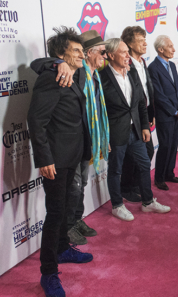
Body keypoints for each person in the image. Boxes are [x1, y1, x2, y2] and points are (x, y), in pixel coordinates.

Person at [27, 26, 93, 297]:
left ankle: (64, 248)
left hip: (73, 155)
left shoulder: (73, 75)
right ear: (60, 54)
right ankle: (48, 273)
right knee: (55, 214)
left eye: (81, 50)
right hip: (54, 160)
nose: (82, 55)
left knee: (65, 209)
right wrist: (44, 158)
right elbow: (36, 120)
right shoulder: (53, 75)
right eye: (76, 51)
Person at [100, 38, 170, 221]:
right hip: (115, 134)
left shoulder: (132, 73)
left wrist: (145, 126)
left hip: (136, 131)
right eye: (123, 52)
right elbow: (99, 112)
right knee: (115, 170)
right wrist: (103, 136)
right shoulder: (101, 78)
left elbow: (140, 103)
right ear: (111, 55)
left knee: (145, 164)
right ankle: (117, 205)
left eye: (127, 52)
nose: (127, 55)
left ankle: (147, 202)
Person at [65, 30, 110, 244]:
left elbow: (98, 113)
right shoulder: (75, 73)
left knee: (82, 182)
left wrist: (102, 138)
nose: (106, 55)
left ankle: (76, 219)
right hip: (74, 142)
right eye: (102, 51)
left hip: (89, 141)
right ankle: (68, 227)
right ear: (89, 52)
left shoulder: (96, 76)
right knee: (73, 186)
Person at [119, 26, 156, 203]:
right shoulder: (126, 65)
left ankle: (133, 185)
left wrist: (151, 113)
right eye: (141, 40)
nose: (145, 43)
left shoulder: (142, 62)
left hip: (145, 114)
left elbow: (147, 91)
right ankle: (127, 187)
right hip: (132, 119)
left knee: (146, 153)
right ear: (129, 43)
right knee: (140, 153)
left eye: (145, 39)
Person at [148, 35, 178, 191]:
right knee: (165, 146)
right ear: (160, 49)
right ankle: (159, 177)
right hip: (165, 115)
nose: (174, 49)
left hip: (177, 113)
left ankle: (169, 173)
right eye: (170, 46)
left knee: (173, 145)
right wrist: (174, 111)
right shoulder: (153, 68)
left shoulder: (172, 65)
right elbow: (158, 95)